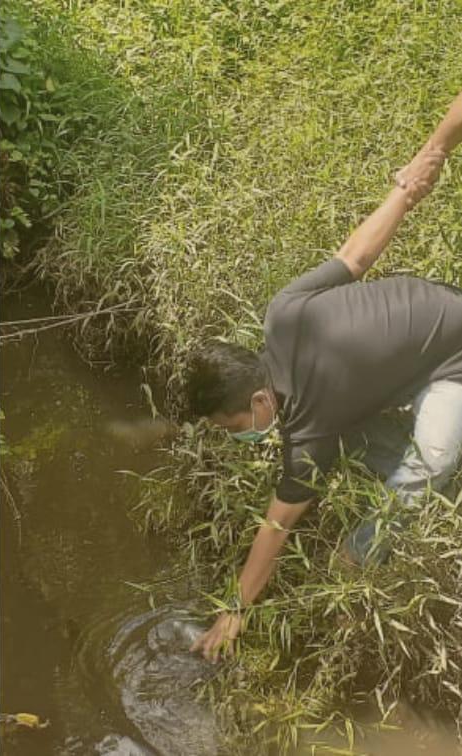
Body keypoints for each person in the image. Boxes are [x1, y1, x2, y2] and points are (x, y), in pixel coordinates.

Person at [183, 164, 462, 662]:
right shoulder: (282, 313)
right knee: (355, 441)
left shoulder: (308, 437)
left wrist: (235, 609)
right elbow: (354, 257)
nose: (234, 438)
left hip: (453, 361)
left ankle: (356, 555)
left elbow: (276, 525)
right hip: (434, 302)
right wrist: (403, 191)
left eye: (233, 428)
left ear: (259, 401)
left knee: (432, 465)